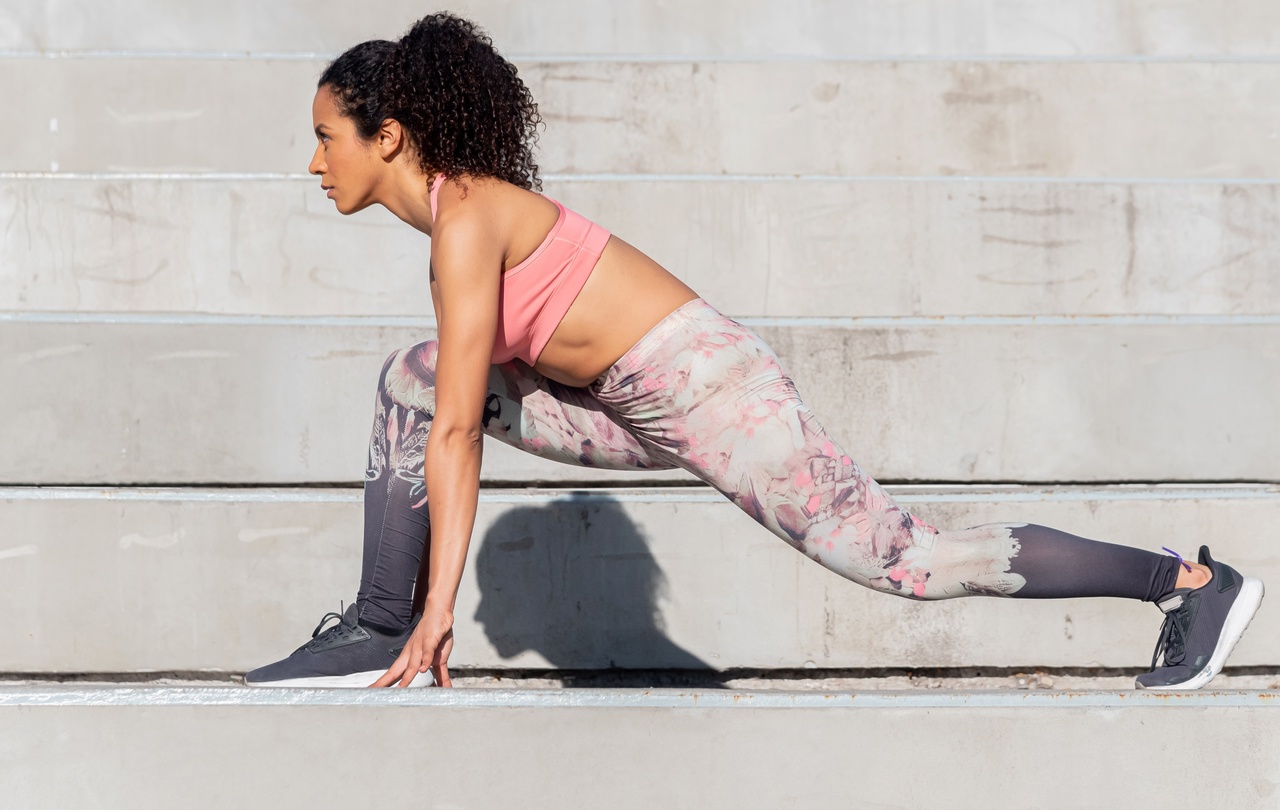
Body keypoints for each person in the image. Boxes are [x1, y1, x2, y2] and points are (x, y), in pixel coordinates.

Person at [244, 12, 1264, 691]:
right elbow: (447, 405)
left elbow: (464, 426)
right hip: (617, 401)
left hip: (710, 392)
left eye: (326, 134)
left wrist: (444, 613)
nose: (313, 158)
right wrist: (411, 611)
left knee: (900, 557)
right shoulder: (454, 216)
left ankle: (1183, 585)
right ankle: (375, 625)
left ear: (387, 136)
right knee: (406, 381)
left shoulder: (465, 219)